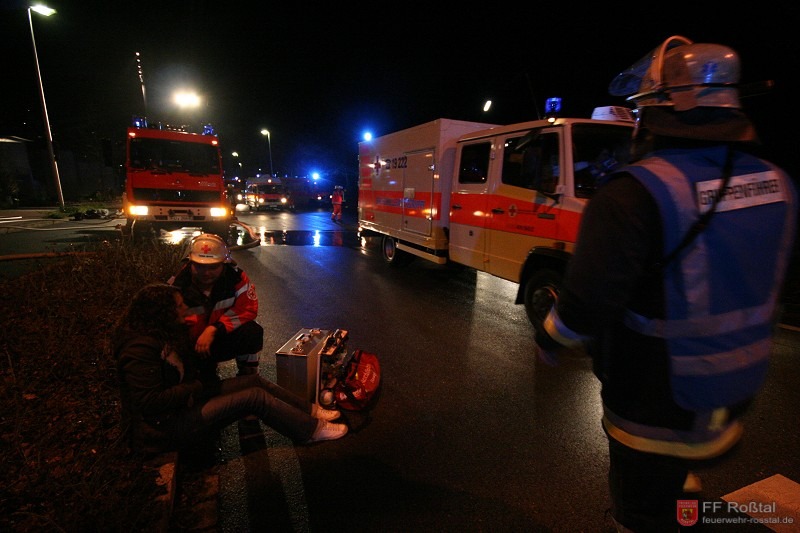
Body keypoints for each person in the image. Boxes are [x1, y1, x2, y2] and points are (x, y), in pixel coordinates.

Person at [533, 36, 797, 532]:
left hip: (653, 400)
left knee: (638, 509)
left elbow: (585, 305)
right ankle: (681, 501)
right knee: (676, 483)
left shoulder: (633, 193)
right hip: (732, 391)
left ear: (658, 113)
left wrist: (548, 337)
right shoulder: (777, 183)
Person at [114, 283, 346, 455]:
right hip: (163, 428)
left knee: (254, 381)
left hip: (184, 402)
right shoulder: (139, 349)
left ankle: (311, 411)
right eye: (179, 306)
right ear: (162, 313)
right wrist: (194, 387)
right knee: (254, 398)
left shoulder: (163, 334)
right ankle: (310, 431)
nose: (185, 308)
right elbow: (149, 401)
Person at [168, 233, 262, 381]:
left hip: (219, 336)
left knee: (252, 331)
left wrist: (214, 329)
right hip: (192, 344)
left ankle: (248, 373)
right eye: (199, 266)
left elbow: (247, 308)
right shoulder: (178, 285)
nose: (206, 273)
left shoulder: (235, 278)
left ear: (224, 264)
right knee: (203, 385)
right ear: (190, 263)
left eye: (212, 267)